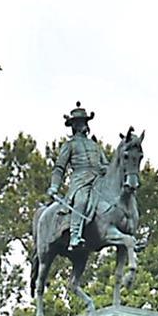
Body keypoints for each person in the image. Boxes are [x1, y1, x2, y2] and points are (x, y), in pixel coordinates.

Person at [49, 103, 109, 251]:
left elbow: (105, 164)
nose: (83, 125)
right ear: (74, 125)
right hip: (80, 181)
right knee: (81, 201)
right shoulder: (69, 145)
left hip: (98, 180)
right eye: (80, 122)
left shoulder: (95, 145)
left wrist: (107, 170)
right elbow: (59, 167)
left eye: (85, 122)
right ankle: (74, 235)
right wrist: (54, 186)